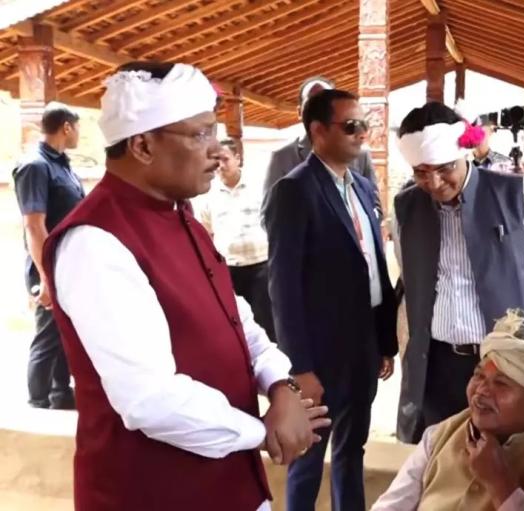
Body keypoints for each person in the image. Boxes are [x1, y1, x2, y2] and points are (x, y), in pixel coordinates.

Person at [41, 61, 327, 511]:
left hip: (232, 486)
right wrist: (263, 431)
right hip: (153, 495)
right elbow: (149, 400)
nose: (217, 151)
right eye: (201, 134)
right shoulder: (96, 241)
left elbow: (236, 318)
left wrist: (279, 385)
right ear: (142, 145)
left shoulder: (182, 215)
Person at [265, 88, 398, 511]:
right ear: (318, 131)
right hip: (321, 353)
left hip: (364, 345)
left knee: (352, 448)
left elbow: (374, 266)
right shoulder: (294, 190)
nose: (362, 133)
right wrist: (300, 367)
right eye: (351, 125)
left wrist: (384, 342)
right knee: (308, 454)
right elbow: (283, 286)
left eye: (364, 125)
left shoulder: (362, 186)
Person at [394, 102, 524, 443]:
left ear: (464, 152)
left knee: (501, 452)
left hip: (502, 361)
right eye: (421, 172)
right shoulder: (407, 206)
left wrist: (513, 336)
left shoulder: (517, 194)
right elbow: (411, 278)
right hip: (437, 362)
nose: (434, 182)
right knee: (443, 452)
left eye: (444, 168)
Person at [373, 310, 524, 511]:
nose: (481, 390)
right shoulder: (439, 437)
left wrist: (502, 486)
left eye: (501, 383)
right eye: (479, 376)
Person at [12, 102, 83, 410]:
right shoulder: (35, 165)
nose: (78, 133)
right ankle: (38, 401)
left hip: (69, 262)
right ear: (66, 127)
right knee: (47, 334)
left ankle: (60, 394)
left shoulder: (62, 165)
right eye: (77, 127)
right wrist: (46, 277)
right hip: (49, 265)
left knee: (64, 332)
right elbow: (33, 225)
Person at [260, 76, 376, 216]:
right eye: (312, 103)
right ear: (299, 112)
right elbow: (269, 213)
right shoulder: (283, 157)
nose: (318, 110)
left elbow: (375, 207)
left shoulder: (361, 156)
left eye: (325, 104)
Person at [199, 139, 275, 340]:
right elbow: (207, 232)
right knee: (237, 322)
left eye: (225, 159)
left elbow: (274, 221)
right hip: (229, 269)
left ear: (238, 159)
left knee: (266, 321)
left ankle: (273, 359)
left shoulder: (259, 186)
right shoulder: (208, 195)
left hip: (261, 266)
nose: (220, 166)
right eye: (216, 160)